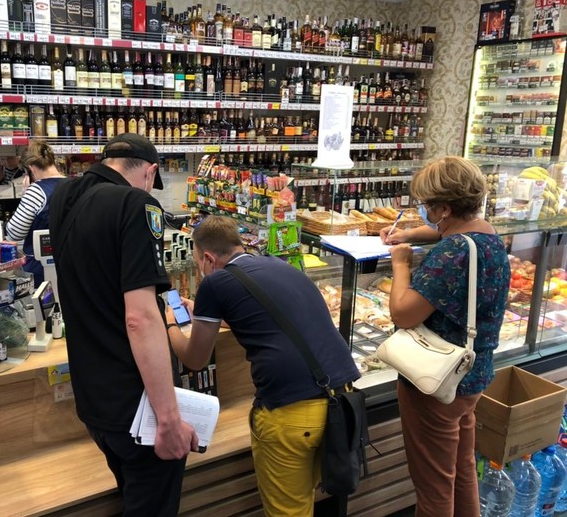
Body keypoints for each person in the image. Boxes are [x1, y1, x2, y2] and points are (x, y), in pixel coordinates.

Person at [165, 215, 360, 517]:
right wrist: (205, 313)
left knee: (288, 512)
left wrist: (169, 325)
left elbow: (195, 359)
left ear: (208, 258)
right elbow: (264, 315)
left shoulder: (215, 282)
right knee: (308, 500)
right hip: (341, 401)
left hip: (290, 415)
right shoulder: (279, 265)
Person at [48, 133, 197, 517]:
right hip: (137, 408)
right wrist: (169, 420)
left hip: (94, 401)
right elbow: (140, 317)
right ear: (150, 172)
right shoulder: (136, 204)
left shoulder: (65, 196)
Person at [379, 156, 510, 517]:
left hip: (435, 383)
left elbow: (403, 313)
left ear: (444, 209)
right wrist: (409, 234)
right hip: (471, 374)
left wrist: (401, 264)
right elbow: (447, 233)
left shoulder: (452, 254)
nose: (424, 211)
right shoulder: (486, 235)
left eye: (426, 205)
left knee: (433, 488)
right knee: (462, 470)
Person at [5, 140, 65, 287]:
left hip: (41, 268)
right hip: (70, 262)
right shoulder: (76, 185)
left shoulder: (36, 190)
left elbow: (15, 233)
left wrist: (26, 193)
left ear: (31, 169)